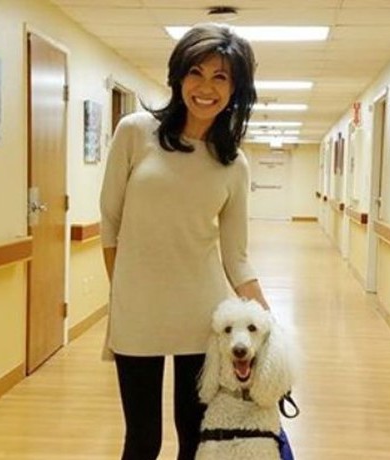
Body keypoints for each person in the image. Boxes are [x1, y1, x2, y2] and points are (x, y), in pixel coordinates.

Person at [99, 23, 270, 460]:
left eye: (221, 77)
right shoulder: (136, 133)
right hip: (137, 315)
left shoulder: (233, 163)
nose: (206, 87)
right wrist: (123, 293)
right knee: (142, 440)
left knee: (194, 438)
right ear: (178, 77)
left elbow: (237, 257)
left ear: (236, 89)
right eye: (196, 72)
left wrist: (270, 325)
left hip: (202, 316)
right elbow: (110, 223)